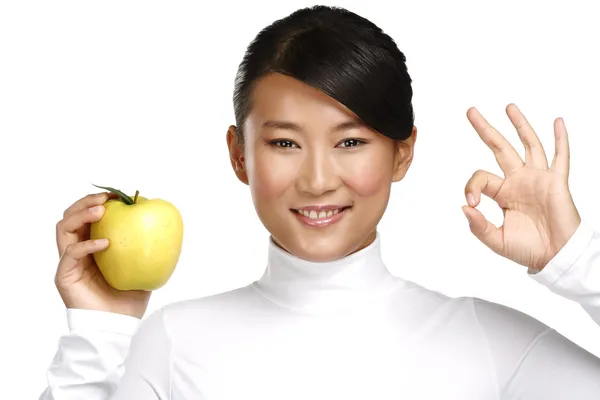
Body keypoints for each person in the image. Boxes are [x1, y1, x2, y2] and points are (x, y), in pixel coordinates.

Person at [39, 5, 600, 400]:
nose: (316, 179)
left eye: (350, 142)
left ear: (402, 154)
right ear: (239, 156)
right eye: (284, 143)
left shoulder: (489, 343)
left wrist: (579, 263)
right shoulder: (174, 341)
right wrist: (100, 333)